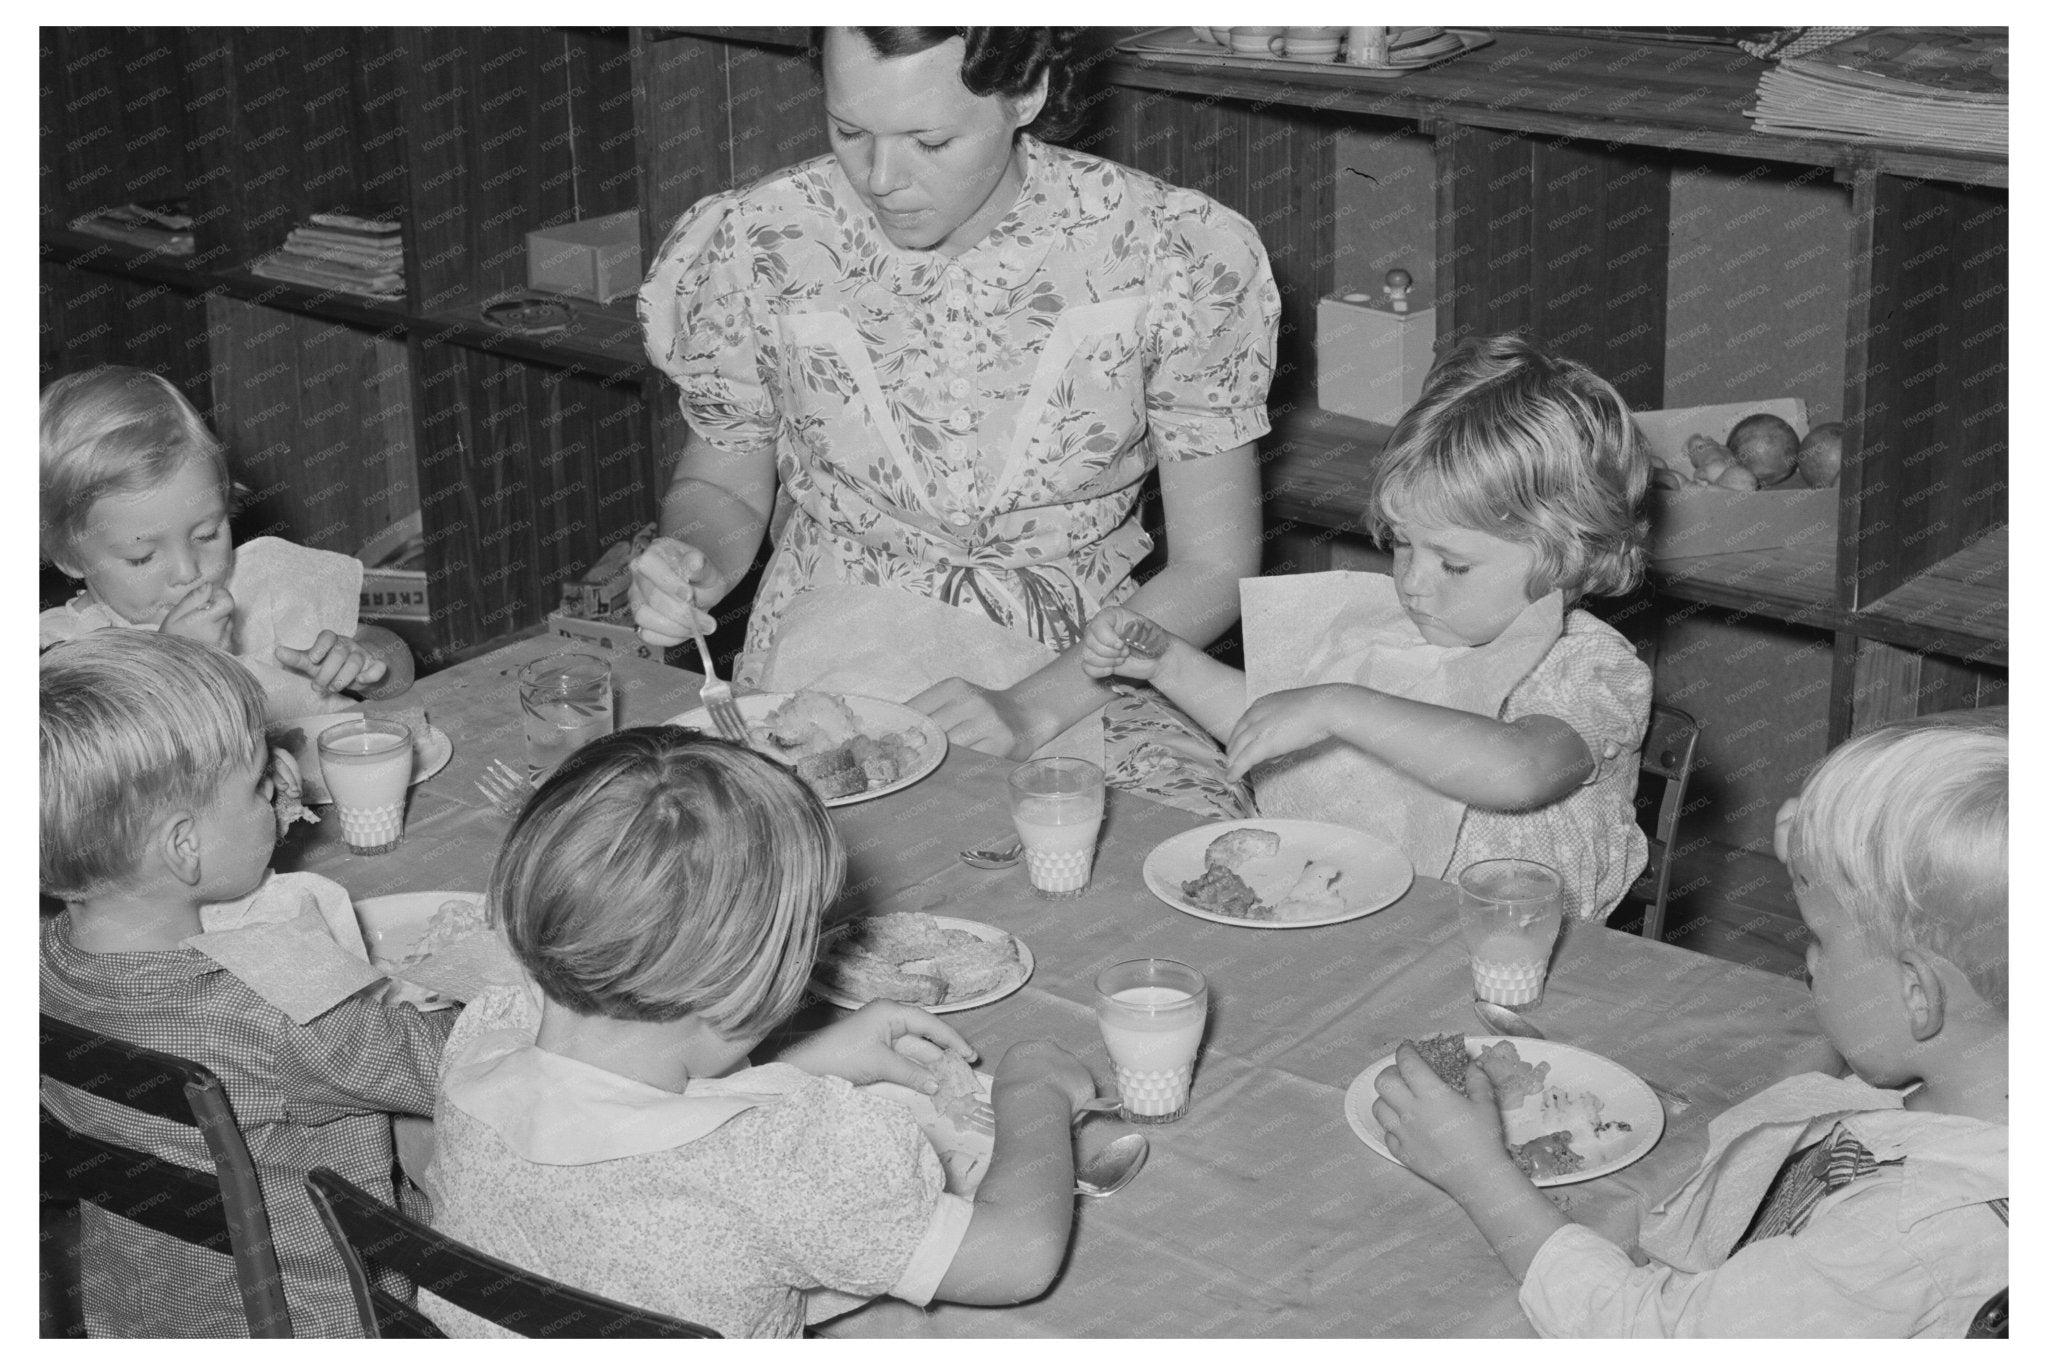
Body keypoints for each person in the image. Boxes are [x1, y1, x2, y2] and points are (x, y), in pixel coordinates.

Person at [629, 27, 1278, 813]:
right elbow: (722, 480)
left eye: (929, 140)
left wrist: (1035, 705)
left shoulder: (1168, 251)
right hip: (836, 649)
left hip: (1092, 666)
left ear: (1028, 90)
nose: (880, 178)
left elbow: (1214, 565)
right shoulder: (764, 239)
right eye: (849, 131)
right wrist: (694, 556)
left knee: (1190, 869)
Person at [420, 727, 1095, 1338]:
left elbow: (636, 1128)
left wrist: (807, 1061)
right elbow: (1017, 1257)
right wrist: (1033, 1087)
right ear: (748, 984)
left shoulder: (481, 1044)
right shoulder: (784, 1170)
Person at [1376, 716, 2007, 1336]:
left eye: (1819, 938)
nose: (1810, 962)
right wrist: (1832, 855)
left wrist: (1479, 1172)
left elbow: (1642, 1334)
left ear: (1916, 994)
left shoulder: (1901, 1241)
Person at [1084, 334, 1653, 918]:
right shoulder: (1396, 631)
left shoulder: (1582, 666)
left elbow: (1521, 771)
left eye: (1453, 563)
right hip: (1360, 916)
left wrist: (1340, 704)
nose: (1412, 582)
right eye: (1403, 546)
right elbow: (1273, 722)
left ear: (1569, 553)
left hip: (1513, 951)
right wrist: (1169, 664)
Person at [39, 632, 453, 1337]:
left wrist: (247, 790)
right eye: (262, 783)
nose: (281, 788)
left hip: (147, 1305)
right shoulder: (269, 1004)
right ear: (182, 845)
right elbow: (442, 1065)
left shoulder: (43, 966)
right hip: (314, 1312)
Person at [39, 365, 414, 719]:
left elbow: (397, 670)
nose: (190, 572)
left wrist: (368, 660)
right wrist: (177, 664)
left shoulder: (268, 580)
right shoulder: (66, 654)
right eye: (142, 557)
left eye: (207, 534)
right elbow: (109, 767)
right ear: (67, 554)